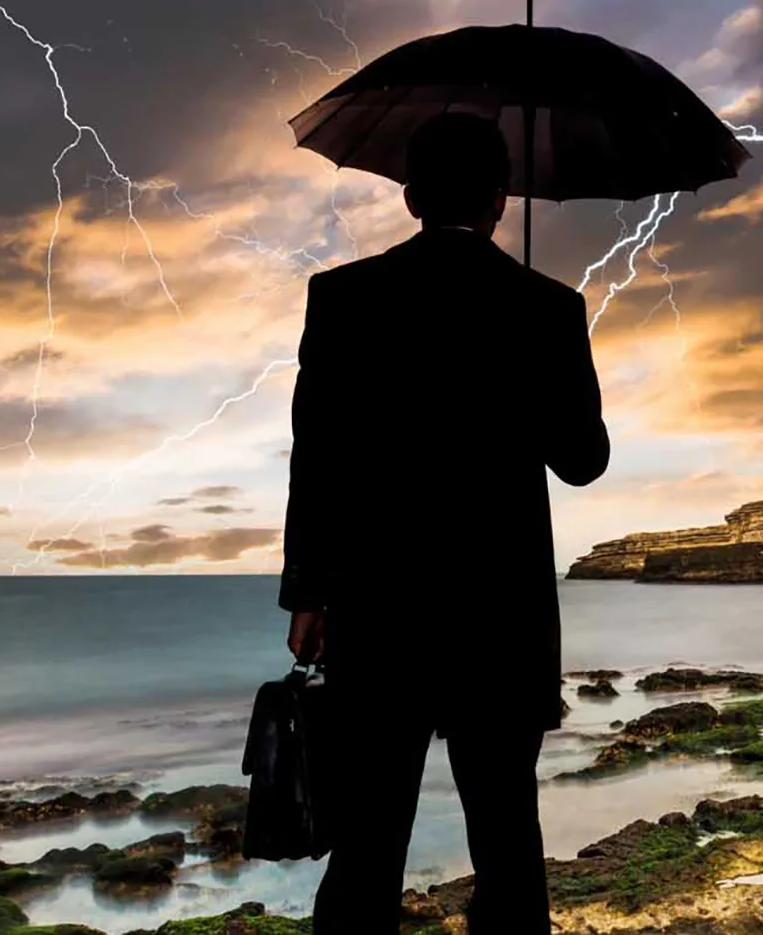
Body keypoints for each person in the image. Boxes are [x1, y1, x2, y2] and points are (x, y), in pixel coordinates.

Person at [277, 111, 610, 933]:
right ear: (502, 200)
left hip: (376, 612)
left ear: (411, 194)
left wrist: (307, 595)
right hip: (502, 621)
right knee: (506, 840)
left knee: (366, 846)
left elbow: (314, 456)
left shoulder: (343, 298)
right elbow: (582, 459)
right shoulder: (547, 309)